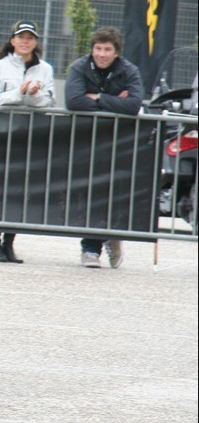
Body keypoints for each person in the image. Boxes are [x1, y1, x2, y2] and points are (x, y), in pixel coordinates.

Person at [65, 26, 144, 269]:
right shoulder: (79, 67)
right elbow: (73, 101)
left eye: (107, 49)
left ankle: (106, 239)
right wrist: (114, 102)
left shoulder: (129, 71)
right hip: (86, 141)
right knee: (90, 193)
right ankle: (93, 246)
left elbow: (133, 105)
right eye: (97, 48)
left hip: (119, 142)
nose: (101, 54)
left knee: (110, 194)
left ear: (116, 52)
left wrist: (98, 97)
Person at [0, 20, 56, 264]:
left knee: (20, 189)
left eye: (30, 37)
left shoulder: (45, 69)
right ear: (12, 40)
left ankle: (9, 243)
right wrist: (18, 93)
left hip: (30, 136)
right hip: (2, 134)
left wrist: (33, 95)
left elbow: (50, 102)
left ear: (36, 42)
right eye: (21, 37)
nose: (25, 41)